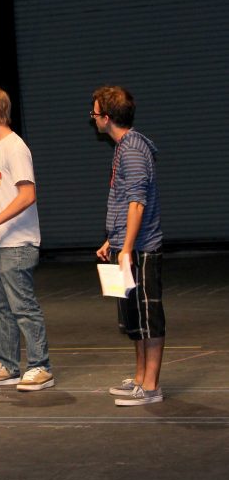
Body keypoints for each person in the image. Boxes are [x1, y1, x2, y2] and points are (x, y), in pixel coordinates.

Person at [0, 86, 54, 391]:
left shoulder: (15, 147)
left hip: (16, 244)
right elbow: (4, 194)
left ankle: (40, 367)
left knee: (23, 306)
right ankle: (6, 364)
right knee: (0, 307)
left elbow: (27, 195)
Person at [91, 85, 165, 406]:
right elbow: (125, 203)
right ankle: (138, 379)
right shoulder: (123, 147)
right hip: (127, 246)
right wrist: (114, 240)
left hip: (142, 249)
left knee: (149, 316)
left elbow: (137, 202)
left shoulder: (133, 150)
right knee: (134, 318)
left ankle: (150, 386)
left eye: (94, 114)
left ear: (107, 118)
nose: (92, 119)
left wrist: (127, 248)